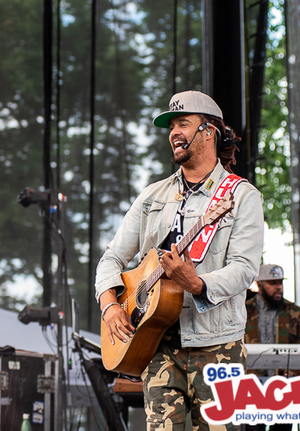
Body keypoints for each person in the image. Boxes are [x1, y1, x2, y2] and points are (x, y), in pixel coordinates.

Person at [95, 90, 264, 430]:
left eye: (183, 123)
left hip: (218, 346)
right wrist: (110, 305)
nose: (174, 132)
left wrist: (198, 284)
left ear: (209, 131)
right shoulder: (152, 196)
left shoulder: (240, 195)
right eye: (171, 126)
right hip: (157, 342)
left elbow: (245, 268)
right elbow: (112, 257)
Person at [243, 264, 300, 431]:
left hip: (284, 389)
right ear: (259, 285)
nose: (279, 287)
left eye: (280, 282)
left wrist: (292, 373)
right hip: (251, 389)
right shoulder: (243, 312)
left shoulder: (296, 312)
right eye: (273, 283)